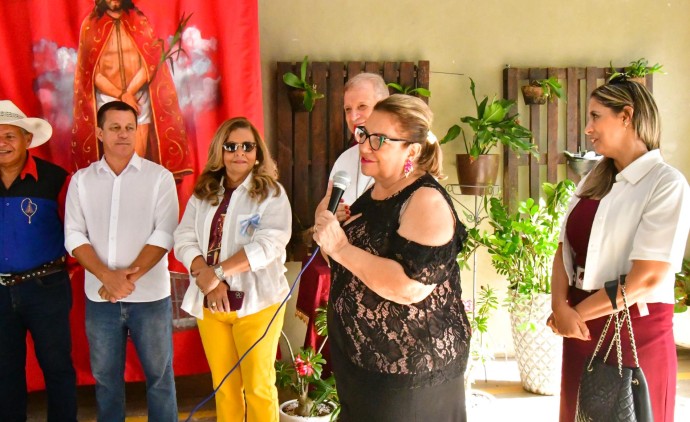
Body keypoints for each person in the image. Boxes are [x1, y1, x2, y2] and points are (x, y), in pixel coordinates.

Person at [313, 94, 471, 421]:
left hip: (409, 377)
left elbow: (409, 286)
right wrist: (330, 232)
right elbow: (350, 267)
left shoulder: (424, 199)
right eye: (363, 134)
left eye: (379, 139)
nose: (364, 147)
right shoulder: (375, 191)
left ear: (411, 150)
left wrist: (341, 247)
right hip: (366, 369)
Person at [547, 79, 690, 422]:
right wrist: (559, 307)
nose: (588, 128)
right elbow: (563, 249)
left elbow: (648, 277)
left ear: (627, 116)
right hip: (580, 330)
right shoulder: (594, 177)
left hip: (634, 333)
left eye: (596, 116)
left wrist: (575, 313)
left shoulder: (666, 184)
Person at [64, 101, 179, 420]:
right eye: (115, 127)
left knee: (160, 379)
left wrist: (122, 282)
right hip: (100, 300)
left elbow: (164, 234)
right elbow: (74, 235)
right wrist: (107, 277)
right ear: (100, 132)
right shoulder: (82, 181)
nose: (123, 134)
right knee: (106, 381)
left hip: (151, 298)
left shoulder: (159, 178)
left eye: (130, 127)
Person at [174, 117, 292, 422]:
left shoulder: (272, 194)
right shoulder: (204, 193)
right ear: (220, 151)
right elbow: (184, 239)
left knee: (258, 387)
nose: (239, 152)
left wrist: (218, 273)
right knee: (224, 387)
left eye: (247, 146)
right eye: (231, 146)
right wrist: (210, 280)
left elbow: (269, 245)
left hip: (258, 303)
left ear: (257, 152)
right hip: (212, 303)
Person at [0, 100, 77, 421]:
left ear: (27, 140)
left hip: (47, 287)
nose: (2, 144)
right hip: (0, 293)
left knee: (57, 366)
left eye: (9, 136)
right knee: (4, 372)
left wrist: (68, 270)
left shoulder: (56, 178)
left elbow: (77, 231)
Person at [72, 0, 192, 178]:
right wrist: (120, 94)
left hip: (138, 94)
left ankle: (136, 185)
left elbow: (150, 63)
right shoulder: (90, 25)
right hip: (106, 96)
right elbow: (91, 73)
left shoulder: (139, 20)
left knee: (138, 152)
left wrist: (130, 92)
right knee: (112, 151)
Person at [329, 72, 389, 205]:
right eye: (348, 109)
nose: (353, 117)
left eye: (362, 106)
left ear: (384, 106)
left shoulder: (404, 156)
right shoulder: (344, 160)